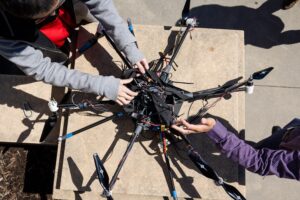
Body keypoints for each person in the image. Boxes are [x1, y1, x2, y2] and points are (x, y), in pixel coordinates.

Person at [0, 0, 149, 106]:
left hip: (72, 10)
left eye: (58, 3)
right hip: (41, 38)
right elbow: (43, 68)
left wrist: (128, 44)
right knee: (57, 57)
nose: (53, 15)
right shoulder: (5, 32)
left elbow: (100, 4)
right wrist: (99, 85)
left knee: (84, 15)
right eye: (46, 15)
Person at [172, 117, 300, 181]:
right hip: (294, 132)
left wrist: (216, 131)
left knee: (257, 153)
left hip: (291, 152)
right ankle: (281, 138)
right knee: (262, 146)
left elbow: (260, 161)